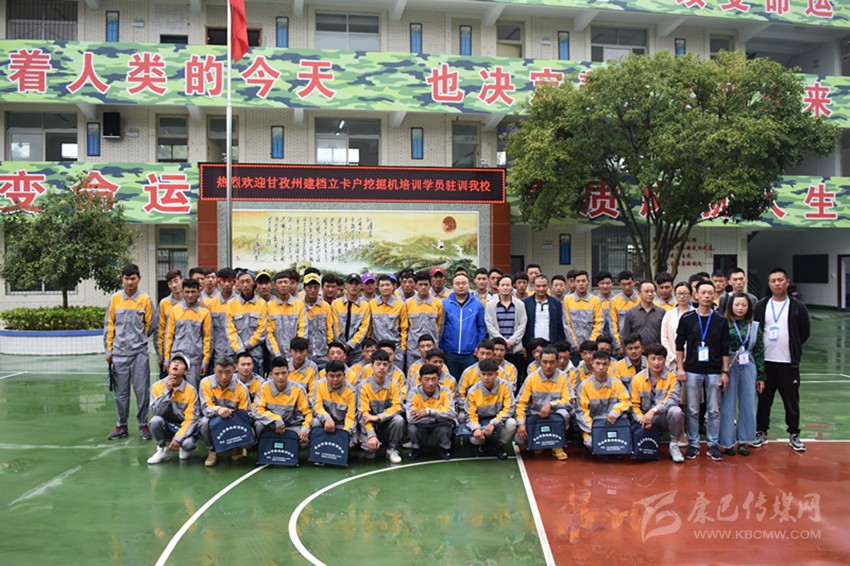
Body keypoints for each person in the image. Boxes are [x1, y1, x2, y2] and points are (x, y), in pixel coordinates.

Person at [753, 268, 810, 452]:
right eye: (773, 281)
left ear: (787, 282)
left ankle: (794, 434)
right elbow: (755, 329)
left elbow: (804, 332)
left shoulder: (798, 306)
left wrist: (793, 346)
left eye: (780, 280)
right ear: (769, 284)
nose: (777, 283)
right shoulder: (761, 305)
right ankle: (761, 431)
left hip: (788, 363)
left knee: (791, 401)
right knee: (763, 400)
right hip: (766, 363)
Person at [676, 280, 730, 462]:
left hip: (714, 371)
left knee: (714, 410)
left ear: (714, 295)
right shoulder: (687, 318)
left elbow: (725, 348)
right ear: (696, 295)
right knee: (692, 410)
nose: (707, 296)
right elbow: (679, 345)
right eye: (703, 292)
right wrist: (680, 368)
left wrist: (725, 372)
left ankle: (712, 445)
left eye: (710, 293)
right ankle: (694, 444)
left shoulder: (721, 320)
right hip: (692, 370)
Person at [104, 263, 156, 440]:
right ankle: (121, 425)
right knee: (121, 393)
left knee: (142, 391)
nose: (130, 282)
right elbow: (109, 325)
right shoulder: (115, 299)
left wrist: (138, 339)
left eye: (133, 278)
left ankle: (143, 425)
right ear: (122, 279)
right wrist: (109, 350)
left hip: (139, 353)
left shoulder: (145, 300)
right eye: (126, 278)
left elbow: (151, 325)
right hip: (119, 353)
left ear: (139, 279)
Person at [719, 292, 765, 456]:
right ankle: (727, 442)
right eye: (737, 305)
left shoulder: (754, 326)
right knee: (727, 403)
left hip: (748, 364)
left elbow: (759, 351)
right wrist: (722, 370)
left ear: (749, 307)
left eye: (744, 305)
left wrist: (761, 376)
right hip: (729, 364)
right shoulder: (723, 324)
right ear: (730, 306)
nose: (740, 308)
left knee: (748, 403)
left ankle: (744, 440)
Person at [631, 344, 685, 463]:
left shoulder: (672, 376)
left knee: (676, 411)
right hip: (645, 418)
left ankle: (674, 445)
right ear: (647, 359)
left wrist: (654, 411)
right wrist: (643, 420)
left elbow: (673, 399)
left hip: (663, 417)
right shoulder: (637, 379)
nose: (656, 363)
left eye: (660, 359)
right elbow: (634, 405)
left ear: (665, 360)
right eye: (653, 359)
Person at [516, 347, 572, 461]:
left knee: (565, 414)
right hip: (535, 415)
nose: (548, 366)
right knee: (519, 439)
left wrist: (550, 405)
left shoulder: (563, 378)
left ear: (557, 362)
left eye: (552, 362)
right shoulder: (531, 378)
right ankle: (537, 442)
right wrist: (521, 424)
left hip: (554, 415)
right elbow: (520, 403)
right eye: (545, 362)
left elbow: (570, 401)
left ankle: (557, 443)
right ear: (539, 361)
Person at [146, 355, 199, 464]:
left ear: (185, 372)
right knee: (155, 421)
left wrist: (178, 438)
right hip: (166, 425)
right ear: (169, 367)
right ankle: (162, 449)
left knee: (188, 445)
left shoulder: (191, 390)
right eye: (174, 362)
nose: (176, 364)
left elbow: (191, 419)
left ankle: (183, 446)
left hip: (183, 427)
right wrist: (167, 392)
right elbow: (156, 412)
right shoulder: (157, 386)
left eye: (180, 363)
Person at [198, 356, 250, 467]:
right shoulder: (205, 383)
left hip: (233, 419)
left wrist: (232, 415)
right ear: (214, 370)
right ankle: (212, 451)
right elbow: (205, 408)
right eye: (220, 372)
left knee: (251, 432)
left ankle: (237, 446)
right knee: (204, 422)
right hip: (213, 418)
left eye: (228, 372)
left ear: (234, 370)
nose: (224, 377)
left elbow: (245, 415)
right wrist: (219, 410)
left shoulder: (241, 388)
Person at [252, 356, 312, 449]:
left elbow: (308, 413)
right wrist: (276, 419)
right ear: (271, 374)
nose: (280, 377)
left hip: (292, 426)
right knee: (259, 425)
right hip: (272, 425)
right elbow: (256, 410)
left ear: (288, 373)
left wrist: (304, 430)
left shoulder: (298, 389)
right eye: (277, 374)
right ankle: (261, 446)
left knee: (303, 442)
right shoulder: (264, 387)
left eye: (284, 373)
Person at [576, 351, 631, 449]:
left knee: (621, 443)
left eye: (605, 364)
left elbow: (626, 401)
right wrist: (594, 429)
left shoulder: (617, 383)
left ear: (609, 365)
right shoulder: (584, 386)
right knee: (592, 443)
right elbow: (582, 411)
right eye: (597, 363)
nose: (601, 367)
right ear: (592, 363)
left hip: (614, 422)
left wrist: (615, 412)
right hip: (594, 424)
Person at [358, 350, 405, 464]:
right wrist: (371, 435)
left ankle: (391, 448)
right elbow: (364, 414)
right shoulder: (363, 386)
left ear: (389, 366)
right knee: (370, 451)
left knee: (399, 420)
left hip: (386, 424)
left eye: (385, 364)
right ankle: (371, 444)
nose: (382, 367)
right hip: (369, 425)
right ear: (372, 366)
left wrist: (378, 417)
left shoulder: (394, 384)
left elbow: (398, 407)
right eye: (378, 364)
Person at [163, 277, 212, 388]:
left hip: (195, 359)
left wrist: (205, 361)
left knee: (193, 390)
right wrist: (167, 359)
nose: (190, 295)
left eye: (193, 292)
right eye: (187, 292)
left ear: (199, 292)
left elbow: (208, 338)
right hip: (176, 357)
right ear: (182, 292)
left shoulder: (204, 312)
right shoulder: (175, 310)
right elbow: (169, 335)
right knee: (174, 389)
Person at [439, 273, 487, 379]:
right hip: (449, 352)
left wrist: (479, 346)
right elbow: (440, 327)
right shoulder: (444, 304)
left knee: (470, 381)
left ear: (469, 285)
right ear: (452, 286)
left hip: (471, 353)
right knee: (451, 381)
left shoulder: (477, 304)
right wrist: (441, 347)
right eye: (458, 283)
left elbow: (481, 327)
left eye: (464, 283)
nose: (461, 286)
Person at [467, 358, 516, 460]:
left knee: (512, 423)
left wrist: (493, 423)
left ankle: (499, 446)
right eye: (483, 374)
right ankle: (484, 444)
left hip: (499, 419)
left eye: (490, 374)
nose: (486, 378)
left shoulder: (505, 386)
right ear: (479, 374)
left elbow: (510, 408)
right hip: (481, 421)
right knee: (474, 439)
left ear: (496, 374)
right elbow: (470, 414)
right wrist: (476, 428)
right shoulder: (473, 391)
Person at [406, 364, 457, 460]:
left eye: (434, 379)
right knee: (412, 427)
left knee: (445, 426)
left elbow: (451, 413)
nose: (430, 383)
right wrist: (437, 419)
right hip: (424, 427)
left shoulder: (445, 391)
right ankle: (416, 448)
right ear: (420, 380)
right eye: (426, 379)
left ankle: (444, 448)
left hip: (438, 427)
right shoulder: (413, 392)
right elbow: (410, 418)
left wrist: (428, 412)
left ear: (438, 379)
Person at [485, 274, 528, 382]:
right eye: (502, 285)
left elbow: (522, 324)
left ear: (512, 287)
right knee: (495, 377)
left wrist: (513, 340)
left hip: (515, 349)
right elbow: (489, 325)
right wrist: (502, 342)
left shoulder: (520, 304)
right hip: (496, 350)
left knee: (514, 379)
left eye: (508, 285)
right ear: (497, 287)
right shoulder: (490, 305)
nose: (505, 288)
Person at [226, 269, 268, 373]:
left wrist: (247, 345)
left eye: (248, 281)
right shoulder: (231, 304)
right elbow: (230, 330)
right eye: (242, 282)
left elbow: (262, 330)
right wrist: (239, 349)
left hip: (255, 354)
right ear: (238, 284)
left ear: (254, 282)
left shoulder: (262, 304)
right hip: (235, 354)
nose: (245, 285)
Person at [311, 360, 358, 450]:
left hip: (342, 424)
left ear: (344, 375)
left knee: (351, 443)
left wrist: (345, 434)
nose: (335, 379)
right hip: (324, 422)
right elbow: (316, 406)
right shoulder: (319, 385)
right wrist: (326, 418)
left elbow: (351, 417)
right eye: (331, 376)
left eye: (338, 376)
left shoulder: (352, 391)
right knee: (314, 423)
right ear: (326, 376)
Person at [522, 275, 568, 362]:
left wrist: (559, 345)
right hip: (531, 345)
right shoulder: (525, 303)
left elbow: (559, 326)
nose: (541, 289)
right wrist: (523, 345)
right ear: (533, 286)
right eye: (538, 286)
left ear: (548, 286)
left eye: (544, 286)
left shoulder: (555, 303)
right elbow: (522, 325)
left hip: (551, 344)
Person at [405, 271, 444, 369]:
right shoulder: (408, 304)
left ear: (430, 285)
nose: (423, 287)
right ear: (415, 286)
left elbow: (440, 327)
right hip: (413, 349)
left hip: (432, 351)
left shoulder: (438, 304)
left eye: (426, 284)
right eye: (420, 284)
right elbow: (405, 327)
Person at [267, 270, 308, 362]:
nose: (283, 285)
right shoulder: (269, 306)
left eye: (285, 282)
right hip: (276, 357)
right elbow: (268, 334)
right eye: (280, 282)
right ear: (274, 285)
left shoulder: (299, 305)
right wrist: (277, 354)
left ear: (290, 284)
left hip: (297, 357)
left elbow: (303, 329)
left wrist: (297, 352)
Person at [331, 273, 372, 365]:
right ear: (346, 285)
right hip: (339, 348)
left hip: (357, 350)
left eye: (356, 284)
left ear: (361, 286)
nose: (354, 286)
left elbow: (363, 329)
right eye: (351, 283)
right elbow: (335, 326)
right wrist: (341, 347)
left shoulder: (365, 306)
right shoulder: (336, 303)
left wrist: (350, 345)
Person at [563, 270, 603, 364]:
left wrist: (590, 344)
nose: (581, 284)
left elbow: (599, 323)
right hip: (574, 349)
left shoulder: (595, 300)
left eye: (583, 281)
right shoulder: (567, 300)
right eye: (578, 281)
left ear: (588, 282)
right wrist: (574, 344)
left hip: (591, 349)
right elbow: (566, 324)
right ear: (574, 283)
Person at [369, 274, 408, 369]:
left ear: (393, 286)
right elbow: (369, 327)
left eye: (387, 285)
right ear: (378, 288)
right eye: (382, 285)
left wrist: (402, 348)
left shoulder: (400, 305)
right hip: (377, 347)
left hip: (395, 348)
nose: (385, 288)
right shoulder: (372, 304)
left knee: (395, 374)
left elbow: (404, 328)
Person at [621, 280, 665, 349]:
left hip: (657, 351)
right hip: (637, 351)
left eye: (652, 291)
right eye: (646, 291)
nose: (650, 294)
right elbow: (626, 334)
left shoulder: (661, 312)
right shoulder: (631, 312)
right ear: (639, 293)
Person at [303, 273, 334, 369]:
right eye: (310, 287)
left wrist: (330, 348)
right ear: (304, 288)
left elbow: (329, 329)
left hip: (323, 355)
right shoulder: (299, 306)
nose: (313, 290)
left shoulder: (325, 306)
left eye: (315, 287)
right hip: (305, 355)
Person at [661, 282, 693, 371]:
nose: (682, 297)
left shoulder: (696, 314)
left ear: (691, 295)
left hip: (692, 360)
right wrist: (673, 357)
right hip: (672, 360)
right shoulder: (669, 314)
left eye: (685, 294)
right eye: (679, 294)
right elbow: (664, 338)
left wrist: (688, 357)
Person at [207, 267, 237, 363]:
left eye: (229, 281)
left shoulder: (240, 303)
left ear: (234, 282)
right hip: (218, 351)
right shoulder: (211, 304)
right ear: (219, 282)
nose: (226, 284)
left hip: (236, 351)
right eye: (223, 281)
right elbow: (209, 332)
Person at [156, 269, 183, 375]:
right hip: (169, 352)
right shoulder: (164, 303)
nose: (174, 285)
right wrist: (160, 354)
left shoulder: (191, 302)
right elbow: (160, 330)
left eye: (176, 281)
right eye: (171, 283)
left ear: (182, 280)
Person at [611, 270, 639, 354]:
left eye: (629, 283)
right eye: (624, 284)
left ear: (634, 282)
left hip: (640, 343)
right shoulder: (615, 301)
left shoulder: (641, 299)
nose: (627, 287)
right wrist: (618, 346)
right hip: (623, 344)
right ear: (619, 285)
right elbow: (613, 325)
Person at [288, 336, 319, 405]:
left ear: (307, 352)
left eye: (301, 352)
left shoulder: (312, 367)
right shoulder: (284, 365)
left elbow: (313, 393)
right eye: (295, 352)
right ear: (290, 352)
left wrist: (307, 406)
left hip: (304, 405)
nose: (298, 355)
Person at [595, 271, 616, 340]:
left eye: (608, 283)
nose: (605, 286)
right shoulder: (594, 301)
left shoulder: (618, 301)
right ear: (598, 285)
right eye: (602, 283)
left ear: (612, 284)